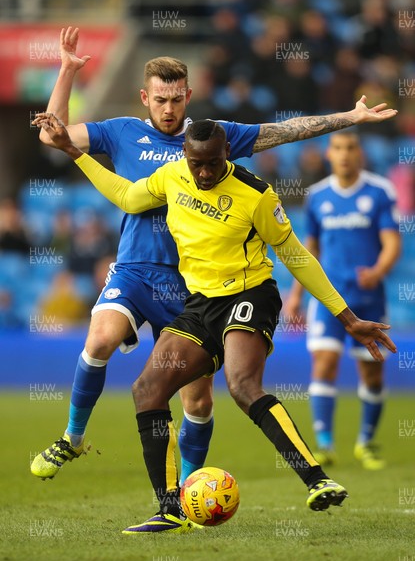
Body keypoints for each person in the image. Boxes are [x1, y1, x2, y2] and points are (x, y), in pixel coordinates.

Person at [30, 26, 398, 486]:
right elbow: (55, 136)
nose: (168, 109)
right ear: (145, 97)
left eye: (176, 100)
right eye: (160, 100)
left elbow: (283, 131)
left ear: (188, 96)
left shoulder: (212, 141)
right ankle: (73, 436)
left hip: (192, 285)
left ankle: (188, 490)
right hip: (135, 268)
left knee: (197, 401)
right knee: (100, 339)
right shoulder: (120, 133)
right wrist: (66, 72)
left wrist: (349, 116)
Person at [284, 132, 401, 469]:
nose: (345, 154)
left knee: (372, 373)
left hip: (368, 298)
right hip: (328, 300)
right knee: (324, 363)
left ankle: (366, 442)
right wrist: (295, 295)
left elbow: (392, 242)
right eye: (338, 148)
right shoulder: (317, 196)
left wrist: (378, 271)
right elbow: (309, 251)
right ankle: (325, 445)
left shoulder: (379, 191)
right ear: (329, 154)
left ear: (359, 152)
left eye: (350, 147)